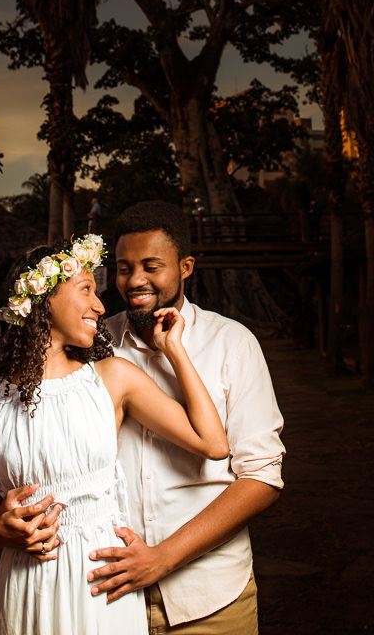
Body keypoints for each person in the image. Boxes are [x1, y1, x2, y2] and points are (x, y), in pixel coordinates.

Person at [0, 234, 229, 635]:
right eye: (86, 289)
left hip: (102, 584)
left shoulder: (112, 378)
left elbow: (214, 444)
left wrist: (174, 350)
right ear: (43, 298)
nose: (100, 306)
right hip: (26, 586)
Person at [92, 200, 285, 633]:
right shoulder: (92, 345)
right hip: (106, 593)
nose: (135, 280)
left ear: (185, 266)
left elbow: (261, 477)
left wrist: (162, 558)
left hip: (212, 595)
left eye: (151, 266)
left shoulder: (233, 343)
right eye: (124, 268)